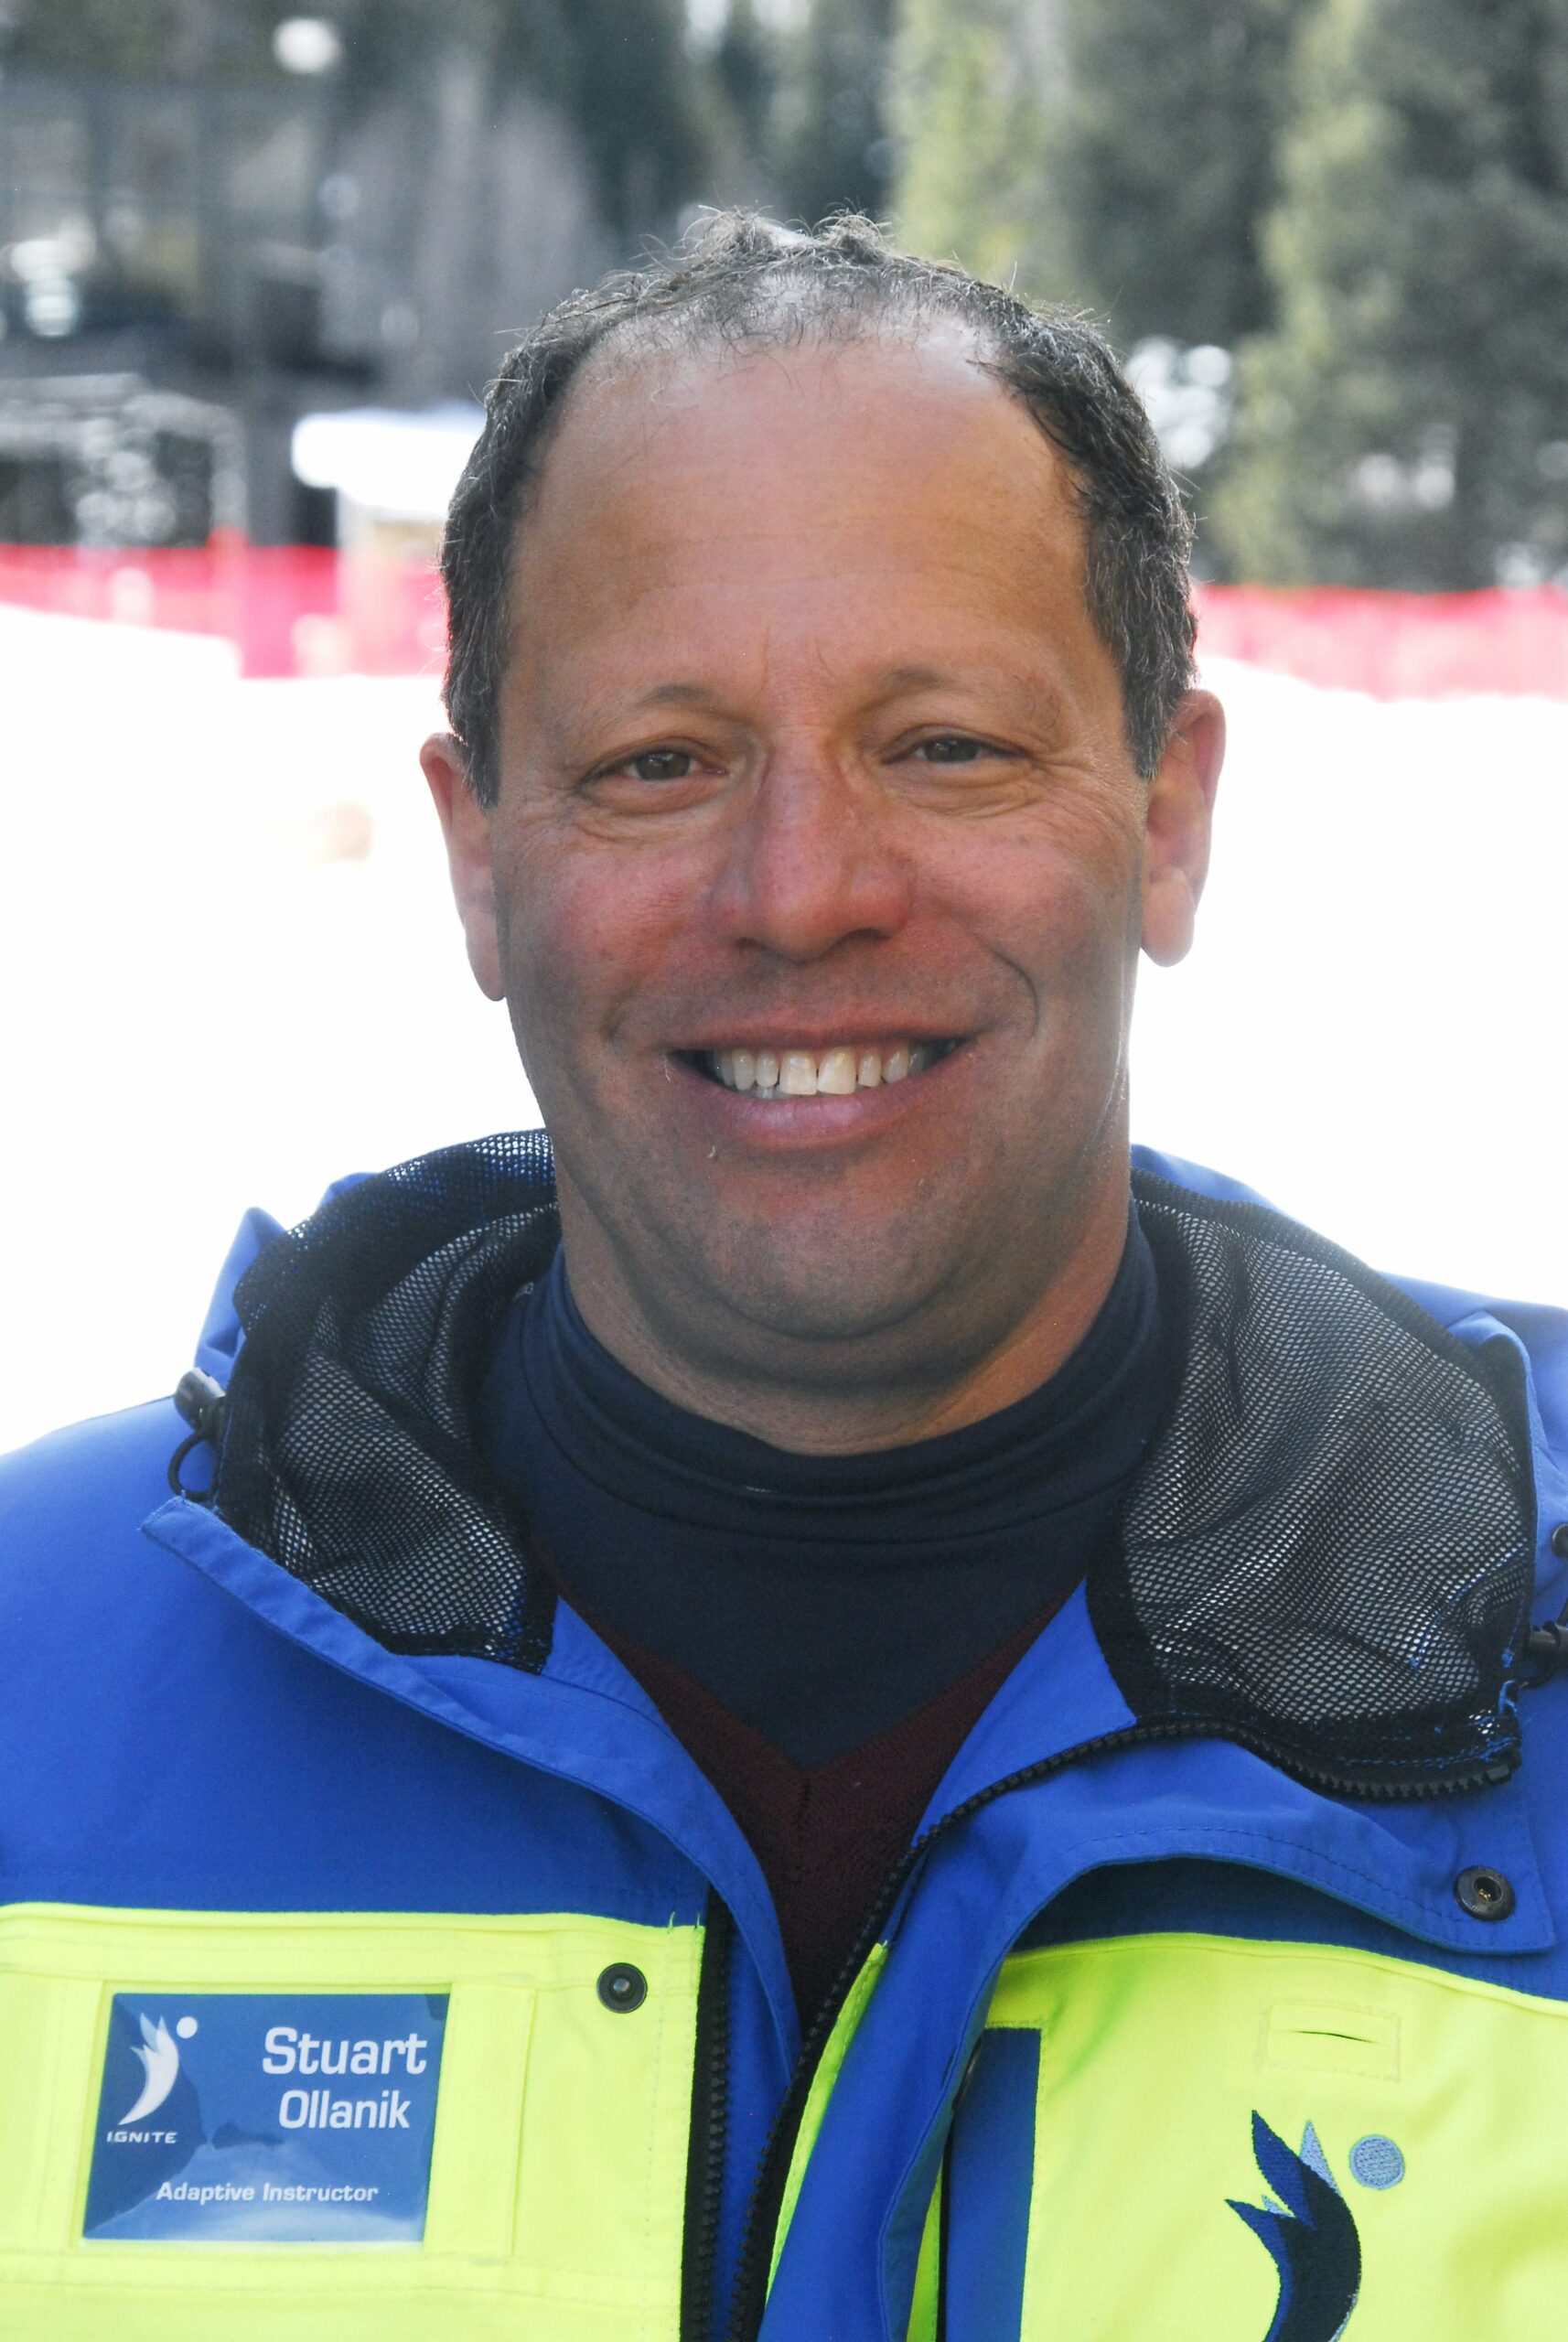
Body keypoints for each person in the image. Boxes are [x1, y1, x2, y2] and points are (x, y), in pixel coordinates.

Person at [2, 212, 1565, 2342]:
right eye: (660, 760)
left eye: (944, 745)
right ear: (477, 857)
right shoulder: (33, 1680)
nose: (803, 887)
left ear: (1166, 813)